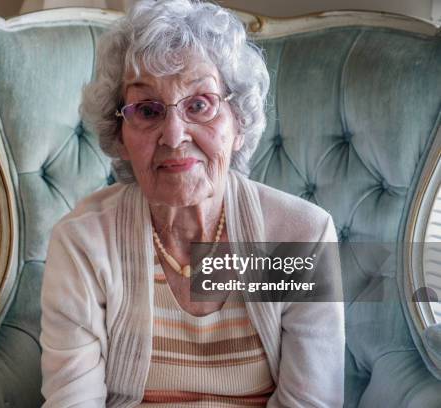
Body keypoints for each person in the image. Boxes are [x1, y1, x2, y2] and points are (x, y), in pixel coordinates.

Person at [40, 0, 344, 406]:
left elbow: (310, 402)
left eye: (199, 104)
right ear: (119, 134)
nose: (174, 134)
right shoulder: (83, 242)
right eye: (147, 110)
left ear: (238, 121)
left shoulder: (301, 236)